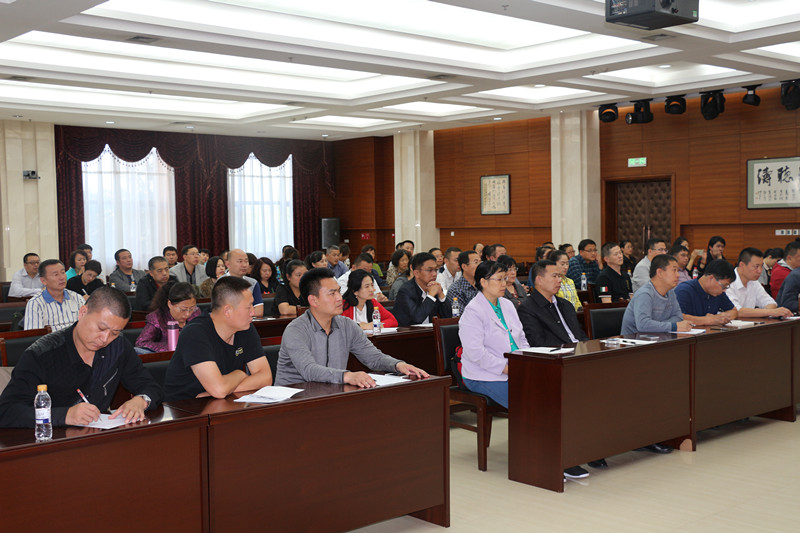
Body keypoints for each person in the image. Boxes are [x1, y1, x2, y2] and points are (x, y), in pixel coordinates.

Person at [0, 286, 162, 428]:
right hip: (51, 441)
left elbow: (151, 386)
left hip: (97, 438)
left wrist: (141, 400)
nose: (105, 339)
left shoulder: (118, 346)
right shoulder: (41, 354)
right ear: (82, 312)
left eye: (115, 332)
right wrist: (64, 415)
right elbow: (6, 411)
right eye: (101, 328)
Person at [275, 268, 428, 387]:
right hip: (293, 400)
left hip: (329, 393)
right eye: (332, 293)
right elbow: (309, 370)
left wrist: (398, 365)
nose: (339, 298)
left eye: (339, 291)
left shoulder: (347, 325)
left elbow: (373, 357)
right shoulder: (296, 330)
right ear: (313, 300)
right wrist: (347, 376)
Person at [164, 276, 272, 401]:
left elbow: (266, 377)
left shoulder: (245, 328)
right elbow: (219, 389)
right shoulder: (195, 333)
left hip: (220, 401)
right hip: (184, 406)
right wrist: (240, 374)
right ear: (227, 311)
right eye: (248, 307)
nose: (253, 312)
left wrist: (224, 389)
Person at [458, 261, 529, 408]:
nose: (504, 284)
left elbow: (521, 338)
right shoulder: (473, 311)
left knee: (547, 390)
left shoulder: (507, 304)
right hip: (483, 374)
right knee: (525, 401)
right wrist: (507, 368)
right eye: (499, 279)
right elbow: (475, 353)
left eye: (505, 278)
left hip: (515, 367)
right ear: (483, 282)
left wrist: (527, 359)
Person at [518, 260, 588, 347]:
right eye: (554, 276)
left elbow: (581, 334)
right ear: (539, 280)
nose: (559, 280)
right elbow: (537, 342)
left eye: (559, 276)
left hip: (579, 350)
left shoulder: (566, 304)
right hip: (559, 352)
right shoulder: (527, 309)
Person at [621, 254, 691, 335]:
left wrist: (656, 325)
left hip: (659, 337)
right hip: (635, 340)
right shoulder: (644, 294)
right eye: (674, 270)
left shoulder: (670, 292)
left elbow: (678, 317)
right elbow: (643, 325)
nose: (678, 275)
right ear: (660, 272)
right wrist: (673, 326)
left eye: (678, 271)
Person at [135, 281, 201, 353]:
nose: (187, 314)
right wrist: (172, 346)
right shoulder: (157, 318)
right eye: (183, 309)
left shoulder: (196, 313)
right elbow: (141, 343)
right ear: (170, 304)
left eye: (191, 308)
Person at [726, 248, 792, 319]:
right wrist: (769, 312)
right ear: (742, 265)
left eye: (761, 266)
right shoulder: (727, 282)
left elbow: (771, 303)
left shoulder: (754, 282)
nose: (760, 271)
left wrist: (764, 311)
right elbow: (735, 311)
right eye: (756, 266)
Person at [393, 252, 452, 326]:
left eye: (436, 270)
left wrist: (441, 295)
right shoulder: (406, 291)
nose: (434, 274)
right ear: (416, 273)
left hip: (430, 331)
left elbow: (448, 317)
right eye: (429, 270)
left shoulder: (434, 288)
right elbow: (417, 318)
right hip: (408, 331)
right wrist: (430, 296)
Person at [24, 259, 84, 331]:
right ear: (43, 281)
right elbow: (34, 334)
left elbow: (87, 325)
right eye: (56, 274)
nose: (62, 277)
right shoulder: (35, 303)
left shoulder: (77, 298)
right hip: (51, 338)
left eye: (63, 272)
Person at [674, 259, 738, 326]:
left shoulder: (718, 293)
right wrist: (709, 320)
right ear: (711, 278)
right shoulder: (684, 290)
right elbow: (678, 318)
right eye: (723, 286)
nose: (724, 290)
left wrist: (723, 316)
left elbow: (734, 311)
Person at [225, 249, 265, 318]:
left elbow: (259, 311)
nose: (244, 265)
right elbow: (221, 312)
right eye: (240, 261)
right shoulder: (221, 283)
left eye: (246, 261)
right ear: (228, 264)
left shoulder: (253, 283)